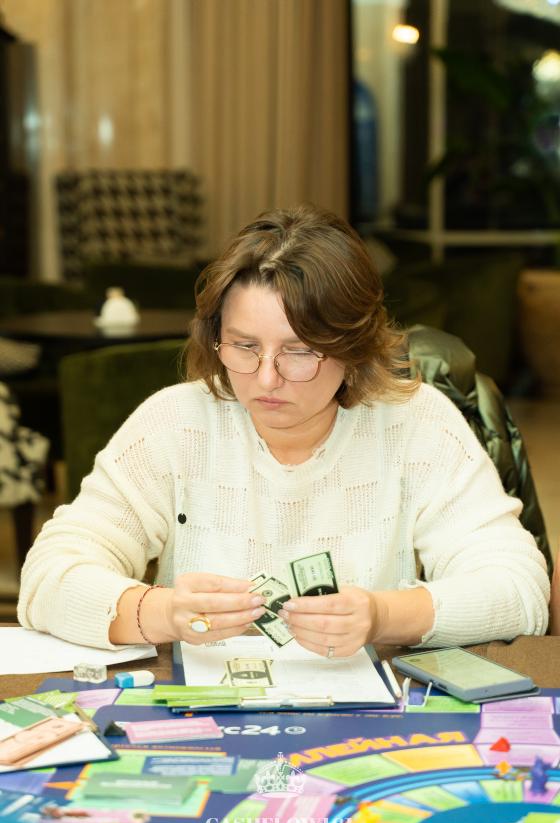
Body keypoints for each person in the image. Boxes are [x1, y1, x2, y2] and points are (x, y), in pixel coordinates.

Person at [18, 205, 550, 653]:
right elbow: (47, 578)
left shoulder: (415, 423)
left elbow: (521, 591)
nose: (266, 378)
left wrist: (381, 616)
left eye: (299, 351)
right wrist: (160, 612)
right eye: (244, 346)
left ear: (354, 347)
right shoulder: (177, 423)